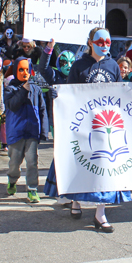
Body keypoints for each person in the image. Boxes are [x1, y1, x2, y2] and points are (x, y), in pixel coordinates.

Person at [63, 27, 131, 233]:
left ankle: (100, 213)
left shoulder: (113, 65)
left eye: (108, 42)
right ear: (91, 42)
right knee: (81, 163)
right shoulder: (79, 65)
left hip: (105, 124)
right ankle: (76, 199)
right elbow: (70, 92)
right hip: (83, 123)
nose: (104, 45)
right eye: (100, 41)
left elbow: (119, 92)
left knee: (104, 165)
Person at [4, 57, 49, 203]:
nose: (24, 73)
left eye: (27, 70)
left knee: (32, 162)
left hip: (32, 131)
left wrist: (43, 131)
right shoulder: (10, 89)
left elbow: (42, 110)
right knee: (15, 162)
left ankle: (32, 189)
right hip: (16, 132)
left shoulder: (36, 89)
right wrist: (23, 91)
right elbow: (13, 105)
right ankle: (12, 179)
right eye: (21, 70)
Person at [39, 42, 74, 204]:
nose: (68, 65)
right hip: (58, 123)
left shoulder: (77, 77)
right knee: (61, 154)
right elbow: (43, 69)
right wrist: (48, 49)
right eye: (64, 62)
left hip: (76, 122)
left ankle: (71, 190)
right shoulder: (55, 76)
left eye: (71, 62)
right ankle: (60, 190)